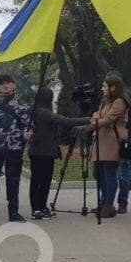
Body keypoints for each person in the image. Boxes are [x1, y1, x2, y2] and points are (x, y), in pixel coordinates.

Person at [27, 87, 89, 219]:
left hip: (35, 150)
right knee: (44, 181)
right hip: (45, 152)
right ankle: (40, 208)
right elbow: (65, 121)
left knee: (36, 181)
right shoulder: (45, 113)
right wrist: (89, 119)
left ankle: (36, 208)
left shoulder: (33, 111)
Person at [0, 74, 31, 223]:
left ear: (14, 85)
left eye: (8, 83)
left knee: (13, 181)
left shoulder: (22, 106)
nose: (5, 86)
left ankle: (13, 212)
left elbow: (28, 125)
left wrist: (28, 133)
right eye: (2, 84)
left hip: (14, 148)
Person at [87, 75, 130, 218]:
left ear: (113, 87)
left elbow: (107, 119)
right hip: (100, 140)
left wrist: (94, 121)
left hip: (112, 141)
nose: (102, 89)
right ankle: (104, 201)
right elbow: (98, 117)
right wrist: (95, 118)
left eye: (105, 86)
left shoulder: (119, 102)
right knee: (98, 173)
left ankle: (109, 204)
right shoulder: (105, 102)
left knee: (109, 174)